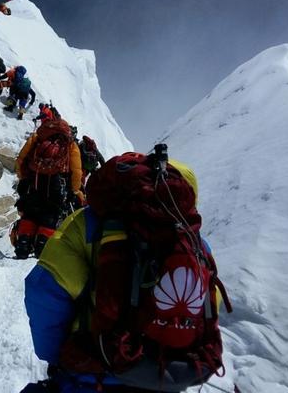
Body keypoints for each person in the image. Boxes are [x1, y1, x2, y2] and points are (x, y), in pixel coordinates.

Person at [22, 145, 231, 393]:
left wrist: (58, 355)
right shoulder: (195, 243)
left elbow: (45, 290)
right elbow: (208, 305)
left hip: (94, 374)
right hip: (166, 376)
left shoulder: (85, 223)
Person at [13, 119, 84, 259]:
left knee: (30, 212)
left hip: (35, 179)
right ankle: (42, 248)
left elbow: (21, 159)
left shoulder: (38, 137)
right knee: (51, 214)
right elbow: (77, 171)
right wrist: (74, 190)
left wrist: (23, 178)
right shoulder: (70, 144)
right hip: (57, 183)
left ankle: (23, 246)